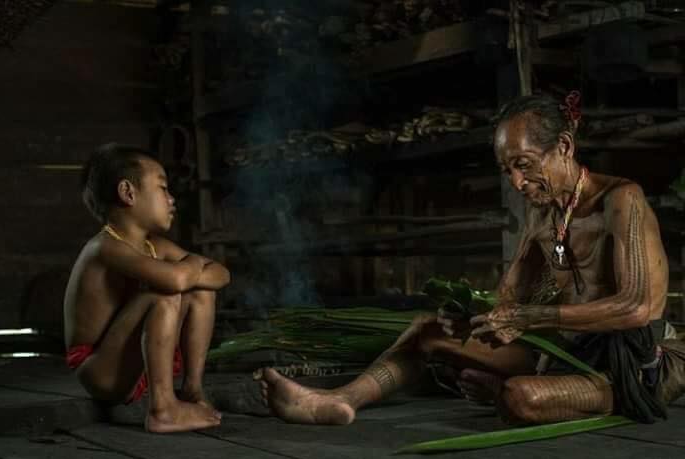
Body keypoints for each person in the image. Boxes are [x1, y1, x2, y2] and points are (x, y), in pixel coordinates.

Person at [255, 93, 685, 426]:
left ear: (564, 146)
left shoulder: (620, 200)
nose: (517, 182)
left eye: (524, 164)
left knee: (520, 397)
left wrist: (527, 317)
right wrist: (471, 320)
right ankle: (339, 401)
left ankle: (502, 390)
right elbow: (507, 301)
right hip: (565, 350)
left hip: (633, 362)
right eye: (506, 170)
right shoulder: (542, 215)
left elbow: (636, 307)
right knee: (425, 330)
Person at [64, 143, 230, 433]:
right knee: (161, 293)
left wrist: (187, 272)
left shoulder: (155, 246)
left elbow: (221, 273)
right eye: (163, 188)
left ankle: (191, 390)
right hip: (100, 370)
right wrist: (191, 265)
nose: (172, 199)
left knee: (201, 291)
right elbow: (176, 281)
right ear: (128, 193)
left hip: (133, 367)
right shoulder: (104, 247)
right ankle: (163, 408)